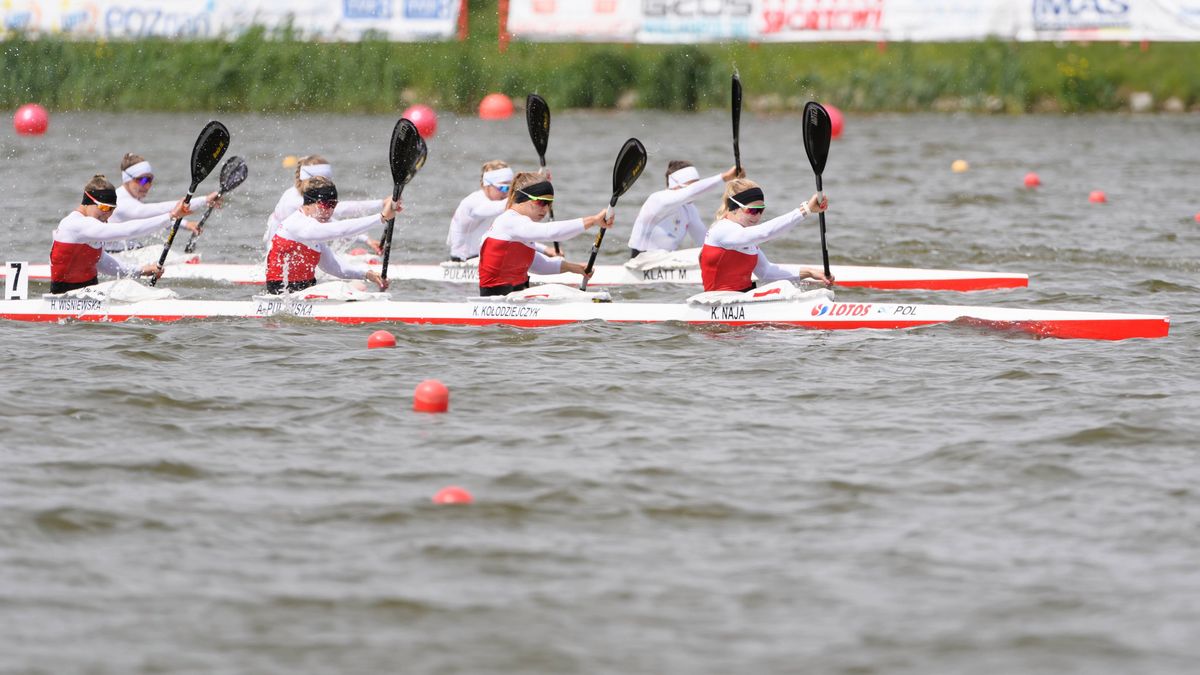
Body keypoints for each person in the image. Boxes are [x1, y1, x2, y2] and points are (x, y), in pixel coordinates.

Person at [477, 172, 613, 296]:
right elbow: (550, 232)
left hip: (514, 298)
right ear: (523, 198)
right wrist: (593, 220)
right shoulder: (509, 221)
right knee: (555, 290)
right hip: (494, 300)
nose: (546, 209)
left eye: (549, 203)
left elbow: (537, 264)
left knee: (556, 290)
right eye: (541, 202)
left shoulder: (521, 229)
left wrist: (574, 267)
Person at [50, 175, 190, 294]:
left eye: (112, 209)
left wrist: (140, 270)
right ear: (88, 202)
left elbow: (102, 262)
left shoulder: (91, 227)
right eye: (104, 208)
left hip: (88, 296)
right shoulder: (75, 224)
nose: (107, 214)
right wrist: (170, 216)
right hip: (62, 297)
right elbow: (127, 230)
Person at [265, 177, 397, 294]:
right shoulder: (299, 224)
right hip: (281, 293)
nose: (329, 211)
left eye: (333, 205)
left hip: (303, 292)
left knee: (358, 286)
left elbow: (333, 266)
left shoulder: (313, 230)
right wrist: (381, 218)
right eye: (325, 205)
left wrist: (367, 274)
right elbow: (340, 230)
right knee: (351, 288)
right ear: (308, 204)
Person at [699, 178, 833, 292]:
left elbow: (766, 272)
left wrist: (809, 272)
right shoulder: (723, 229)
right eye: (752, 210)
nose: (757, 216)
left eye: (761, 210)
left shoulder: (745, 235)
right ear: (734, 208)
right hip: (716, 302)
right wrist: (806, 210)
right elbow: (764, 233)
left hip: (742, 300)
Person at [263, 155, 383, 252]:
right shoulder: (295, 201)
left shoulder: (307, 197)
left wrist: (366, 240)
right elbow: (339, 217)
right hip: (281, 255)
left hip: (300, 247)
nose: (326, 185)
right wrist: (382, 205)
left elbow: (334, 222)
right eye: (323, 180)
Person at [105, 153, 220, 253]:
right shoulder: (120, 202)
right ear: (128, 179)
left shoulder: (130, 198)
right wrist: (204, 200)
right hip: (112, 256)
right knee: (158, 250)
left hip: (126, 252)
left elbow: (155, 218)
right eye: (143, 180)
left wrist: (185, 224)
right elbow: (155, 211)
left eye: (150, 180)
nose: (147, 185)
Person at [627, 161, 740, 257]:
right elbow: (691, 192)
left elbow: (705, 243)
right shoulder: (658, 199)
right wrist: (725, 177)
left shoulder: (689, 209)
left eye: (698, 185)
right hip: (640, 260)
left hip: (666, 260)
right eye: (692, 186)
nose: (697, 193)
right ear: (674, 184)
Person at [446, 161, 513, 262]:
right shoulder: (474, 202)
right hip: (464, 261)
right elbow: (499, 207)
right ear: (487, 185)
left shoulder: (498, 202)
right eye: (503, 188)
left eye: (511, 189)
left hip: (484, 259)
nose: (507, 193)